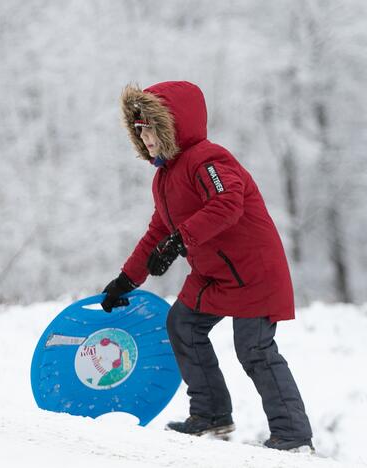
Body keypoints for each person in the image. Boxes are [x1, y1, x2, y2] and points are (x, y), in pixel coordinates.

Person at [101, 81, 313, 452]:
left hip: (253, 271)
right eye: (140, 129)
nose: (145, 136)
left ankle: (293, 436)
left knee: (255, 350)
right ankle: (211, 415)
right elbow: (158, 231)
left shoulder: (208, 159)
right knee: (183, 324)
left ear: (173, 125)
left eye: (151, 126)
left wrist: (179, 241)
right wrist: (126, 280)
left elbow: (228, 201)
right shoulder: (164, 177)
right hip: (214, 274)